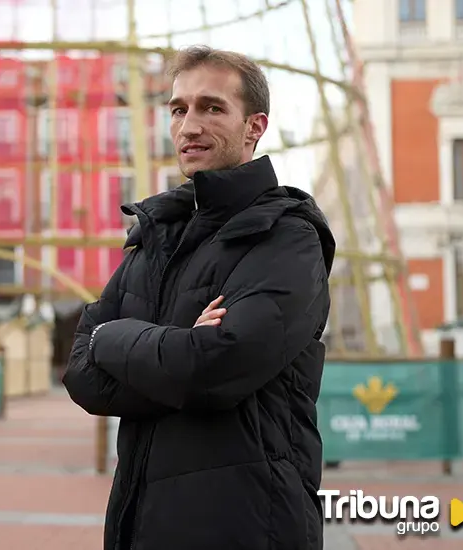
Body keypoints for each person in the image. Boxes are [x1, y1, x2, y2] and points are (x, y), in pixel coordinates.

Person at [63, 45, 335, 550]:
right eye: (178, 109)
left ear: (255, 126)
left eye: (211, 107)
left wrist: (112, 337)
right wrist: (175, 352)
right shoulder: (155, 235)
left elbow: (214, 368)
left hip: (250, 525)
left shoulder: (288, 236)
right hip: (141, 523)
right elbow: (82, 376)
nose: (189, 126)